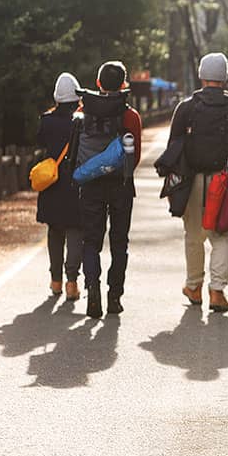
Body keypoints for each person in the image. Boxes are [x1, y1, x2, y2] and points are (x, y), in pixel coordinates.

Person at [165, 52, 228, 313]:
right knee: (222, 236)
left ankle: (194, 286)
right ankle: (217, 290)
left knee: (194, 235)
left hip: (192, 181)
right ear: (225, 78)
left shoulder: (186, 108)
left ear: (202, 75)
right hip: (224, 182)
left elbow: (173, 148)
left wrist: (173, 186)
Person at [75, 61, 142, 319]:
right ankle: (114, 297)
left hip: (91, 185)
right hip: (121, 186)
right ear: (124, 84)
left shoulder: (83, 112)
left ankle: (92, 290)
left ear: (98, 83)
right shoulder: (130, 116)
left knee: (91, 241)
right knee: (119, 242)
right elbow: (133, 156)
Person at [36, 73, 83, 300]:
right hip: (76, 182)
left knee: (55, 232)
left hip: (52, 183)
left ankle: (55, 281)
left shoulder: (46, 121)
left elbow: (40, 142)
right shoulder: (82, 122)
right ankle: (71, 282)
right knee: (75, 231)